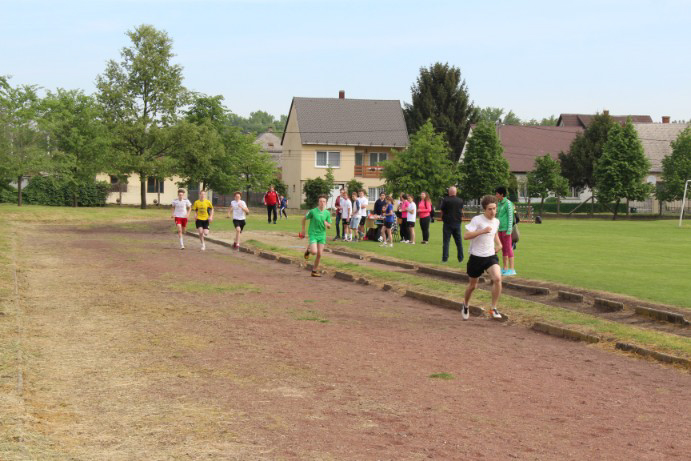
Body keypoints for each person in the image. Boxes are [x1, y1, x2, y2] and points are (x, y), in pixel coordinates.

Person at [462, 195, 503, 321]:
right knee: (473, 286)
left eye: (494, 208)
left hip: (490, 255)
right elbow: (466, 236)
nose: (493, 212)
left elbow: (494, 233)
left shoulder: (496, 221)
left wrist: (499, 244)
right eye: (490, 209)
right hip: (476, 257)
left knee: (497, 278)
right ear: (484, 209)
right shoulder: (477, 220)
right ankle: (465, 304)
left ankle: (493, 308)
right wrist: (482, 231)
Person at [301, 195, 332, 277]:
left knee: (319, 254)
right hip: (313, 233)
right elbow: (303, 219)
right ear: (318, 202)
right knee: (314, 252)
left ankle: (314, 271)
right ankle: (309, 250)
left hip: (322, 235)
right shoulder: (312, 211)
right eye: (320, 201)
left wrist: (327, 224)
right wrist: (303, 230)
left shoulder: (327, 213)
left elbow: (329, 226)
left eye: (324, 201)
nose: (322, 203)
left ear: (326, 203)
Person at [439, 186, 464, 263]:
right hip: (457, 223)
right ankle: (460, 258)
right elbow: (462, 211)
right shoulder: (460, 200)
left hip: (447, 223)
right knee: (459, 242)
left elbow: (442, 210)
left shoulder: (445, 200)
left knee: (446, 242)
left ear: (449, 192)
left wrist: (442, 218)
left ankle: (445, 258)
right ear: (456, 192)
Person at [495, 186, 516, 276]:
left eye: (497, 194)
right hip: (500, 229)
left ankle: (512, 269)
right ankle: (505, 268)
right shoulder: (499, 203)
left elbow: (511, 217)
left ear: (502, 194)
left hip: (506, 229)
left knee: (509, 248)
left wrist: (509, 230)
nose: (496, 195)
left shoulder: (508, 203)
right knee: (503, 248)